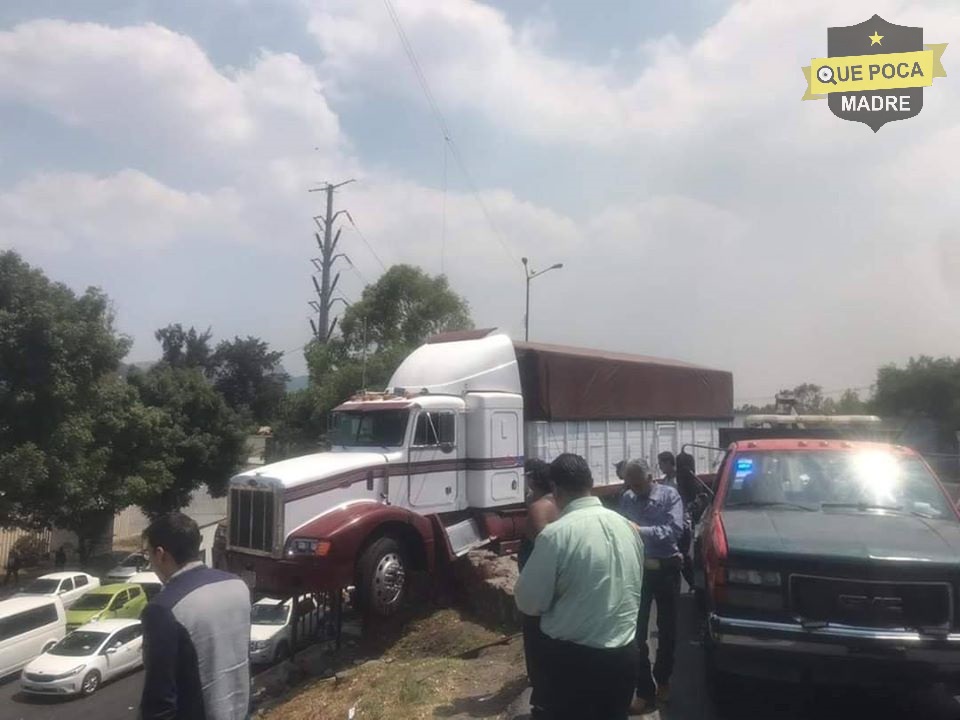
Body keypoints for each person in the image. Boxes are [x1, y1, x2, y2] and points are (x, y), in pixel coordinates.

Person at [515, 453, 643, 720]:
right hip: (623, 658)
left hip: (572, 663)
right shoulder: (628, 528)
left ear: (556, 490)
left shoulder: (556, 535)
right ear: (591, 482)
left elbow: (528, 602)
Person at [140, 512, 251, 720]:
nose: (150, 563)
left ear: (161, 554)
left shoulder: (163, 609)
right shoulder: (237, 585)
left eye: (148, 555)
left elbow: (160, 698)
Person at [618, 458, 685, 714]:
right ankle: (644, 690)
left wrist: (639, 530)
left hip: (666, 567)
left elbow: (673, 531)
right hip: (639, 569)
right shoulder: (627, 499)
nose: (634, 489)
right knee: (636, 631)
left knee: (667, 630)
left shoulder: (670, 496)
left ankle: (664, 680)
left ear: (650, 477)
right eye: (630, 485)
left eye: (638, 484)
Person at [518, 458, 559, 720]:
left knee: (535, 640)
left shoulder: (539, 507)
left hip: (538, 586)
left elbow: (543, 549)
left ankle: (543, 699)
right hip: (553, 585)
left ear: (534, 480)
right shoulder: (557, 504)